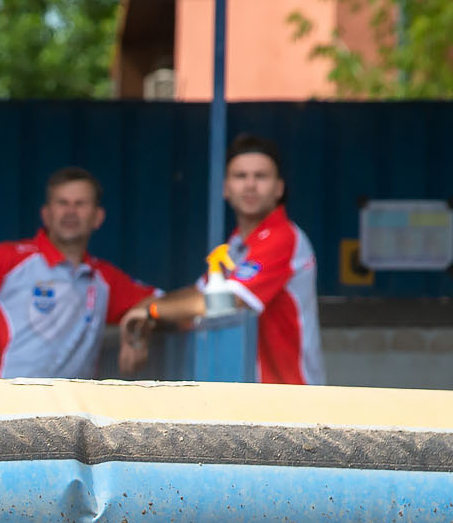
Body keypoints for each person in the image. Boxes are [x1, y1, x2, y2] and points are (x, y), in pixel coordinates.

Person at [121, 133, 323, 386]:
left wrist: (151, 311)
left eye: (261, 176)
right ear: (225, 188)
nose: (250, 185)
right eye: (240, 176)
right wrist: (143, 311)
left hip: (292, 395)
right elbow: (198, 294)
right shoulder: (236, 245)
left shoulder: (282, 236)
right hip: (258, 395)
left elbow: (226, 302)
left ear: (279, 188)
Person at [0, 168, 159, 379]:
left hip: (73, 416)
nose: (70, 212)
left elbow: (164, 303)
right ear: (46, 214)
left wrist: (137, 331)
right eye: (62, 203)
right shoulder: (12, 259)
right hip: (6, 407)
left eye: (80, 204)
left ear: (98, 218)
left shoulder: (104, 278)